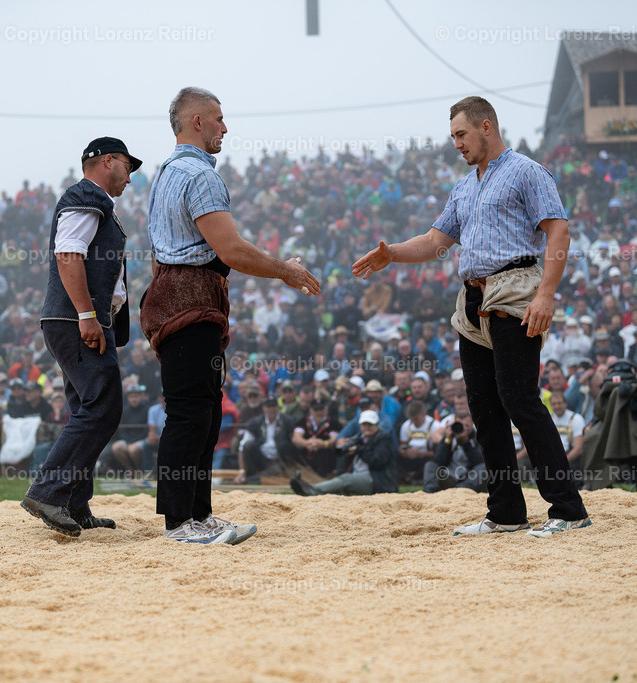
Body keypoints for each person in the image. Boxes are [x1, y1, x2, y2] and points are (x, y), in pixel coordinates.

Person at [352, 96, 590, 538]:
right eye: (453, 137)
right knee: (483, 408)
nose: (457, 144)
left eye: (461, 135)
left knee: (520, 399)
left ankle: (568, 508)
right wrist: (392, 255)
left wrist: (547, 294)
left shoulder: (527, 171)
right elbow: (436, 239)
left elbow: (558, 229)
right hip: (473, 300)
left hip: (516, 290)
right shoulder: (464, 186)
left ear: (486, 126)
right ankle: (505, 512)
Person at [141, 87, 319, 545]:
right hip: (191, 299)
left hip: (175, 295)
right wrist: (286, 271)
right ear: (196, 122)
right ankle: (182, 523)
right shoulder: (199, 175)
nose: (225, 126)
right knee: (191, 414)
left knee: (200, 412)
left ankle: (196, 517)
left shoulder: (166, 174)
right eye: (218, 118)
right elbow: (231, 249)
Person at [22, 136, 142, 537]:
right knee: (101, 408)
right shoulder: (86, 196)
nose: (130, 177)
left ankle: (74, 502)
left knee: (87, 408)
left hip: (72, 319)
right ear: (108, 161)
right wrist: (88, 315)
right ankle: (50, 493)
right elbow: (68, 255)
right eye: (127, 166)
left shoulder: (91, 199)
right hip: (79, 321)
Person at [290, 410, 397, 496]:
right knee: (342, 484)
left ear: (377, 425)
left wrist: (358, 450)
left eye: (370, 424)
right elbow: (338, 453)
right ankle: (311, 491)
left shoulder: (384, 438)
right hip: (364, 477)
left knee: (345, 479)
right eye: (364, 424)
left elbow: (377, 460)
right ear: (360, 426)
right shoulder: (360, 438)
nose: (367, 427)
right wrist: (345, 447)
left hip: (379, 481)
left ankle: (311, 489)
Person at [422, 419, 487, 493]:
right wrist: (447, 440)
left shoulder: (477, 437)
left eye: (466, 425)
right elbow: (439, 461)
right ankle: (429, 491)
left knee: (483, 467)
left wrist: (465, 442)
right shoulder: (448, 438)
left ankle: (461, 490)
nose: (461, 428)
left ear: (471, 425)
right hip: (448, 477)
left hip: (469, 478)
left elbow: (479, 461)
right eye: (459, 425)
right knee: (430, 465)